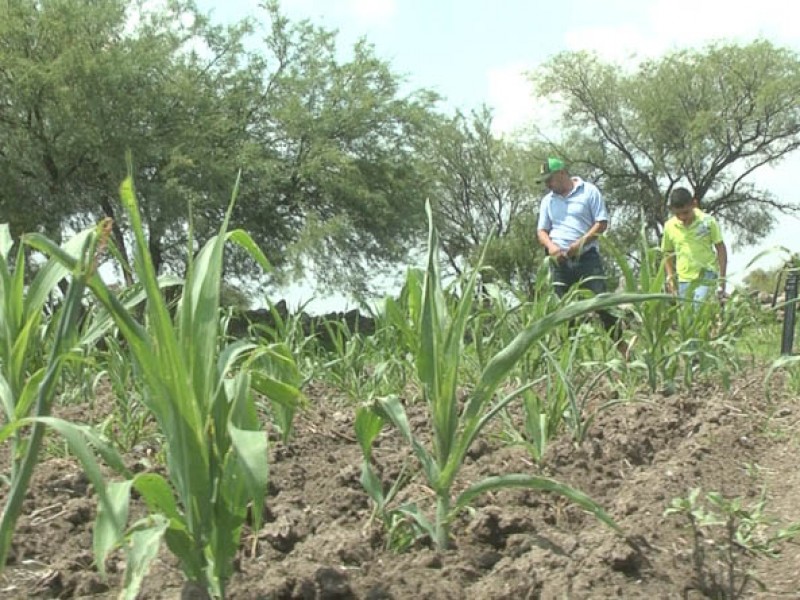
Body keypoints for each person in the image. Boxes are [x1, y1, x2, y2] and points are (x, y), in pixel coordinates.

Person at [535, 157, 626, 354]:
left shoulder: (589, 191)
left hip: (586, 258)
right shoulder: (547, 201)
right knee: (565, 312)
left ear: (561, 174)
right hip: (559, 262)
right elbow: (542, 231)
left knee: (603, 305)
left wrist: (580, 243)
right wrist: (551, 247)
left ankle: (625, 352)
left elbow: (601, 223)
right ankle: (571, 359)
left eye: (550, 179)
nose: (548, 184)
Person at [661, 187, 727, 303]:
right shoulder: (669, 226)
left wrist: (722, 278)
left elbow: (720, 248)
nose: (682, 217)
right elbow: (667, 252)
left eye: (686, 212)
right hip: (683, 279)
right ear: (671, 210)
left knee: (700, 306)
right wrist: (670, 278)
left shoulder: (707, 222)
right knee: (687, 318)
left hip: (707, 274)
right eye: (678, 214)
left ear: (694, 204)